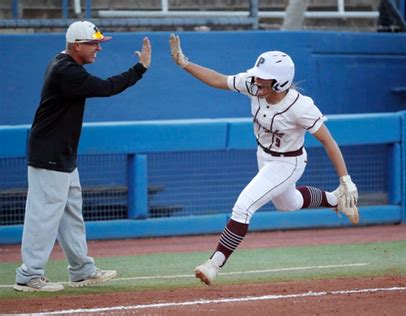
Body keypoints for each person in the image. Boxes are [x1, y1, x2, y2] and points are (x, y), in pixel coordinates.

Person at [169, 34, 359, 285]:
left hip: (288, 163)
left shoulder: (301, 107)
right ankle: (335, 200)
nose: (256, 79)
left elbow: (328, 141)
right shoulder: (253, 84)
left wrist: (346, 179)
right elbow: (218, 79)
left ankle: (214, 264)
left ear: (280, 83)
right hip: (264, 155)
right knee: (288, 203)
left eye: (264, 77)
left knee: (243, 206)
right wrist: (184, 62)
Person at [14, 21, 152, 292]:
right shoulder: (67, 71)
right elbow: (107, 87)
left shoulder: (66, 65)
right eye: (94, 43)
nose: (98, 48)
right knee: (43, 216)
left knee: (70, 214)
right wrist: (140, 69)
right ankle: (29, 275)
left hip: (62, 155)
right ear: (77, 45)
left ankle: (81, 270)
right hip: (50, 155)